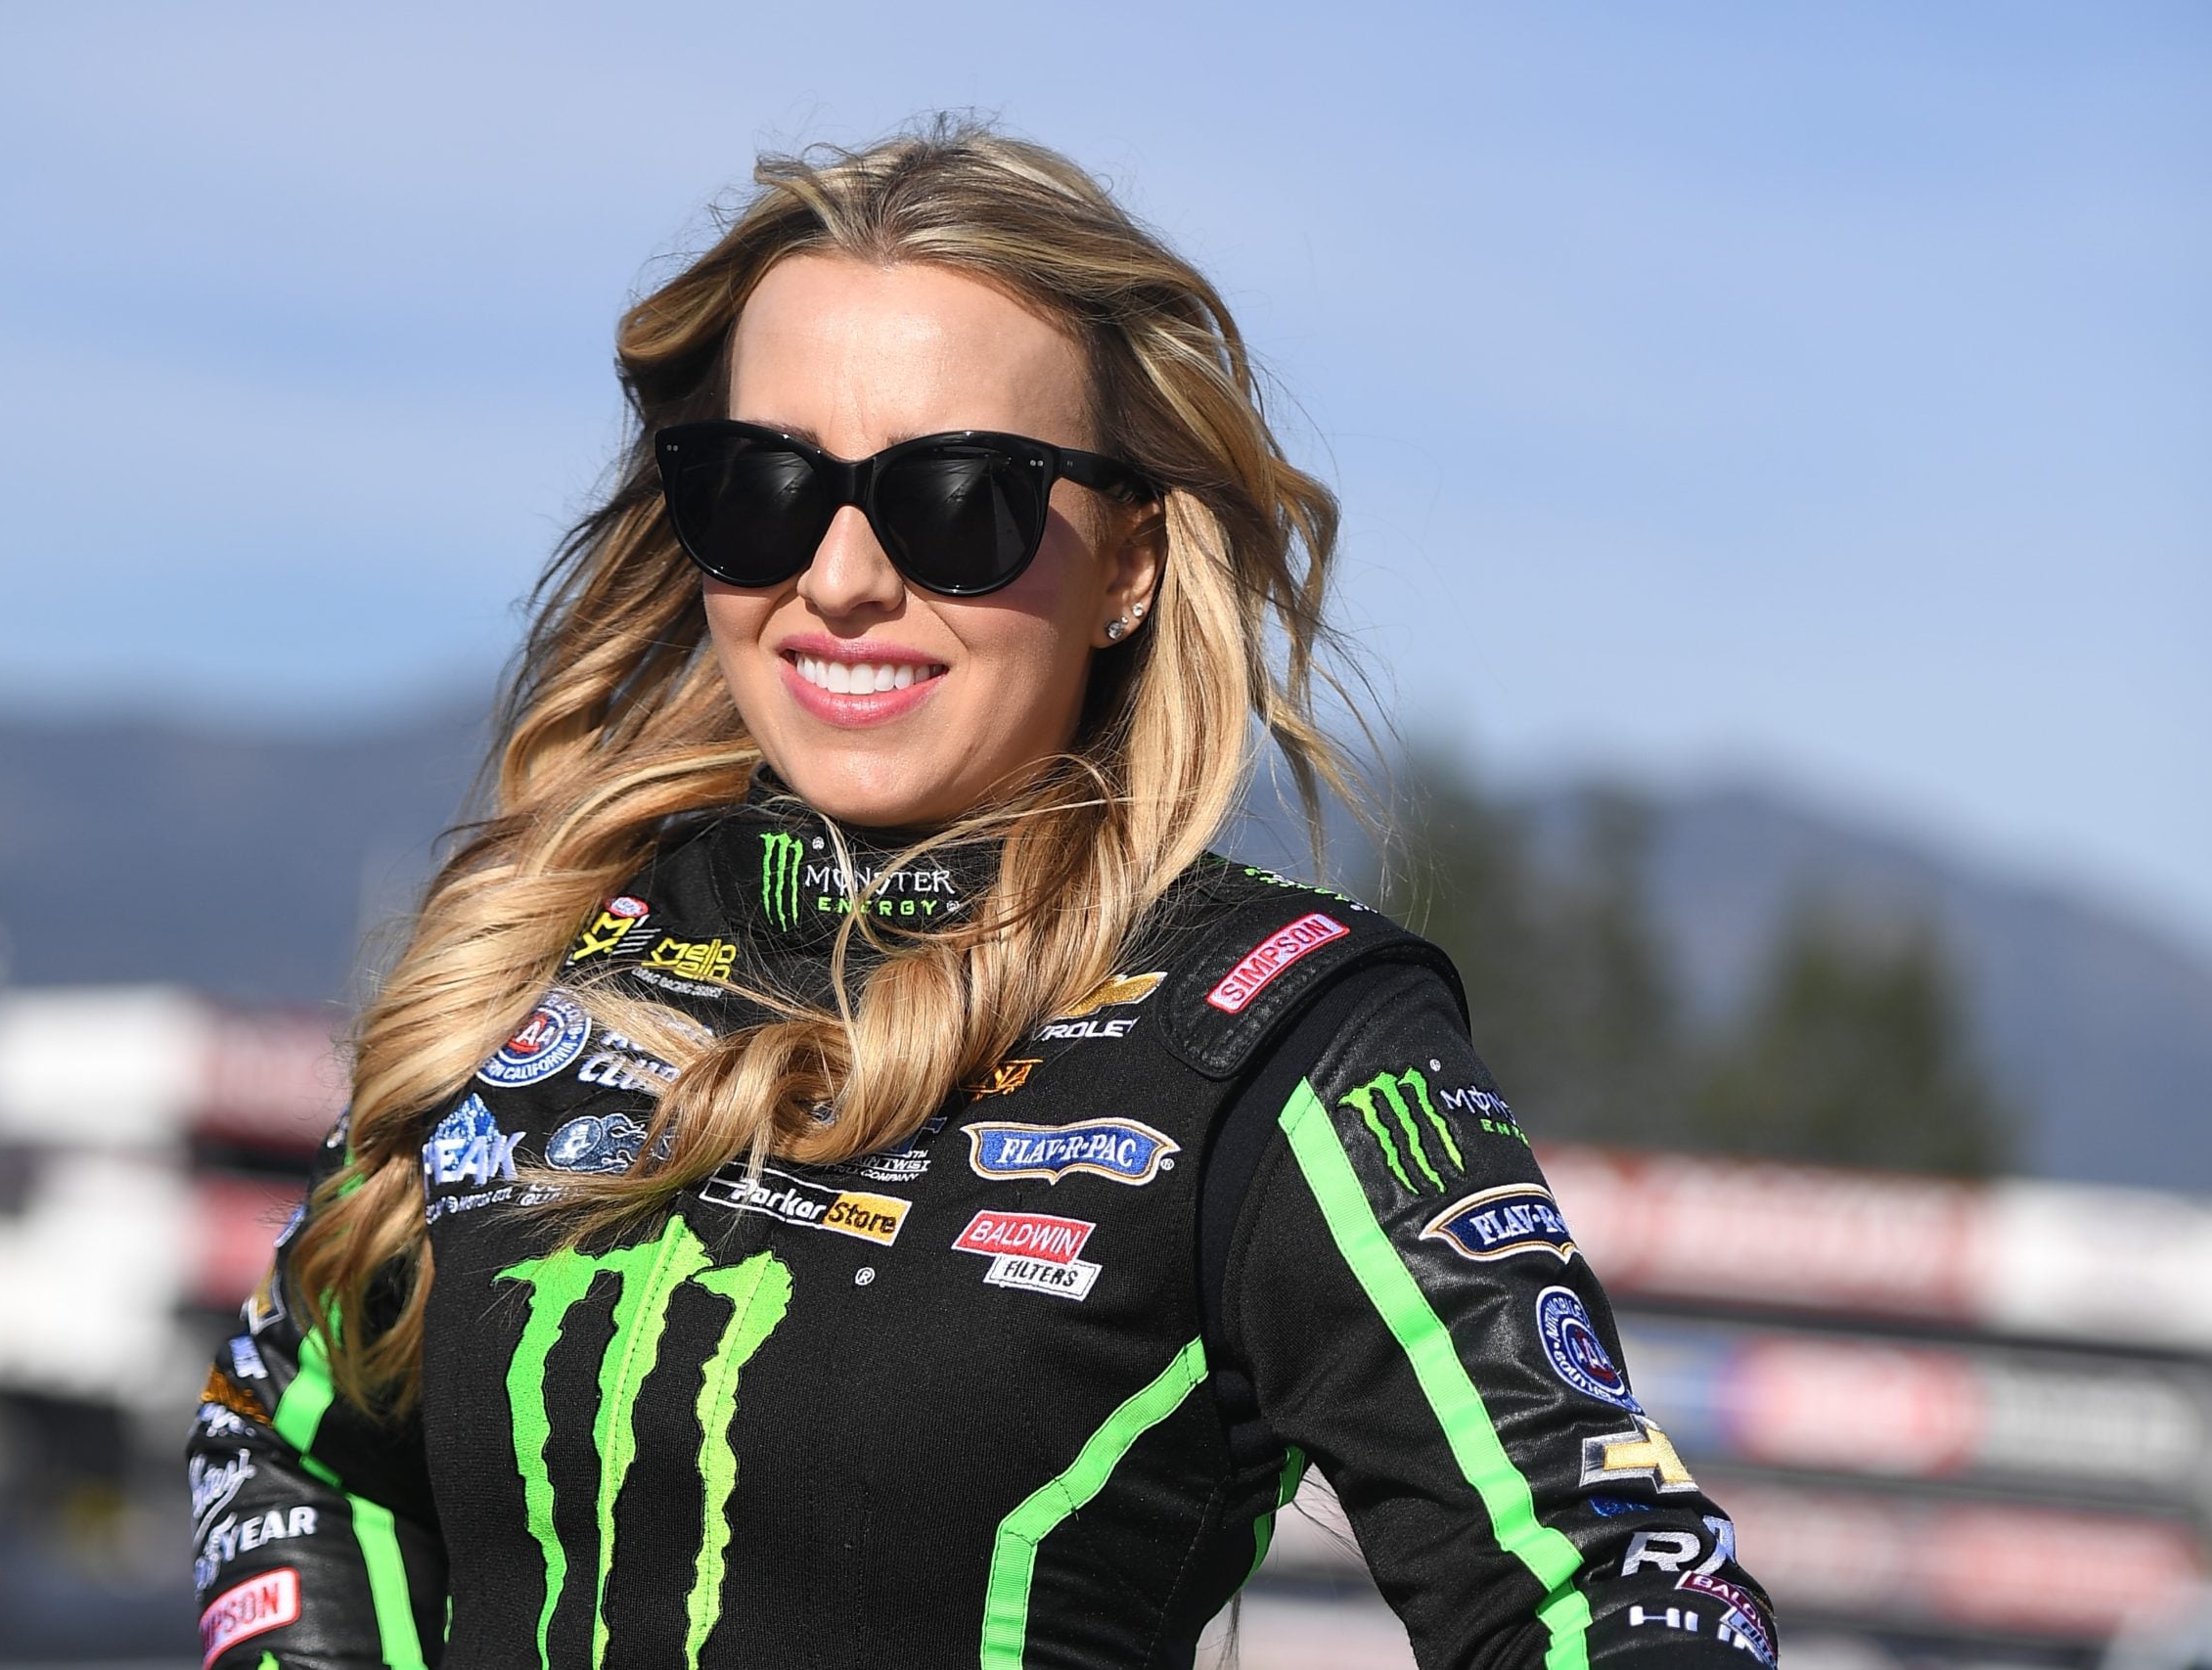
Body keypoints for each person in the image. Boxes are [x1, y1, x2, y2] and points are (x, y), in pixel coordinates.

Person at [187, 120, 1774, 1670]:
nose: (840, 577)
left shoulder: (1277, 1037)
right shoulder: (548, 947)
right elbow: (286, 1443)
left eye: (958, 499)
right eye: (761, 486)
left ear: (1131, 561)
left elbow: (1611, 1587)